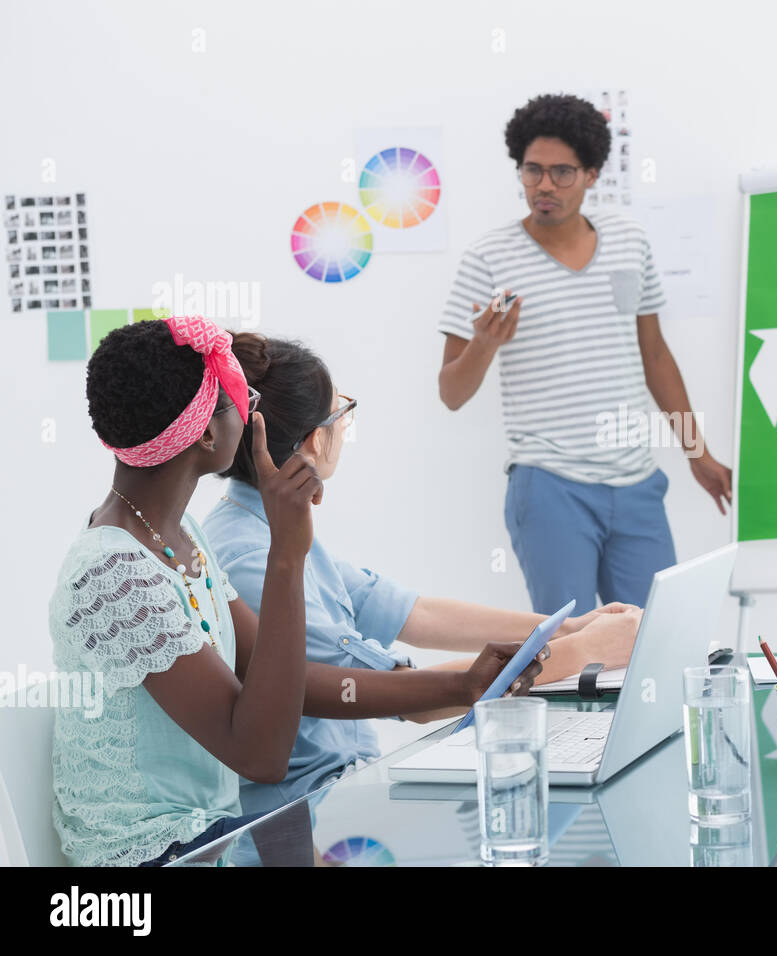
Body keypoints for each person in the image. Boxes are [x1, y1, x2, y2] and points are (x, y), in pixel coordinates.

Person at [50, 315, 541, 866]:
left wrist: (465, 685)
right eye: (238, 397)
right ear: (208, 434)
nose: (250, 408)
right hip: (156, 859)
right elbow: (262, 756)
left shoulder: (175, 536)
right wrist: (286, 556)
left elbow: (292, 682)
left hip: (217, 833)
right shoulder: (117, 576)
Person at [204, 333, 641, 817]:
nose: (346, 427)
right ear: (312, 439)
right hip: (307, 812)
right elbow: (402, 697)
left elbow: (417, 613)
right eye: (341, 413)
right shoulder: (250, 556)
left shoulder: (262, 524)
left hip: (343, 795)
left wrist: (570, 629)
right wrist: (585, 652)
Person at [437, 93, 732, 615]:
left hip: (636, 484)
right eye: (532, 171)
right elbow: (452, 393)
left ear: (592, 174)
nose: (544, 185)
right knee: (569, 652)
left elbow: (656, 357)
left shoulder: (629, 240)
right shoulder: (488, 258)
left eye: (562, 172)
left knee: (655, 637)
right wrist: (486, 342)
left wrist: (697, 452)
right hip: (549, 485)